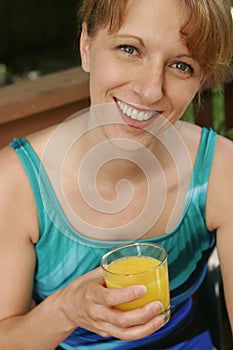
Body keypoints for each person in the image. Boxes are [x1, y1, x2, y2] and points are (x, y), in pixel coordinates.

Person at [0, 0, 233, 349]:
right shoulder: (16, 181)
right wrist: (66, 311)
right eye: (129, 49)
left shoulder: (220, 170)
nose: (151, 89)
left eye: (181, 66)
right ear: (86, 45)